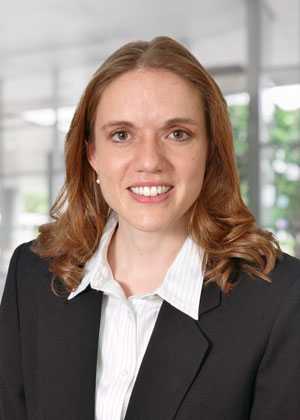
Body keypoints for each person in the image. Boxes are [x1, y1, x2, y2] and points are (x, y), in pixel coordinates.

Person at [0, 36, 300, 420]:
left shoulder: (281, 300)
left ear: (210, 149)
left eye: (177, 133)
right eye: (121, 135)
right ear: (92, 153)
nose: (149, 161)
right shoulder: (32, 274)